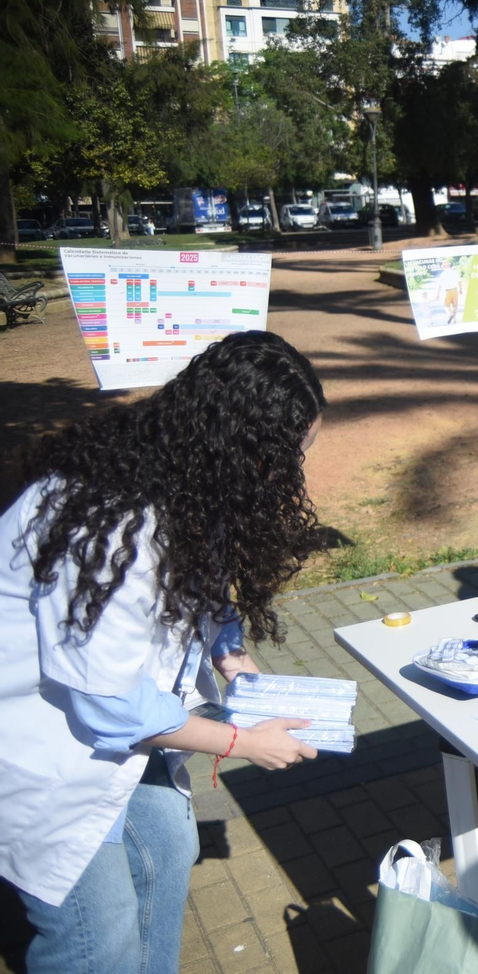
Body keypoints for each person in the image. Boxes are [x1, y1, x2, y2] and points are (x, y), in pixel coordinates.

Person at [0, 331, 329, 974]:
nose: (294, 473)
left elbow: (202, 584)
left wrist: (235, 662)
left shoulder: (184, 478)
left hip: (113, 734)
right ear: (237, 445)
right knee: (99, 934)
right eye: (287, 455)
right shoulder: (107, 521)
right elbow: (108, 704)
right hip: (42, 751)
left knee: (168, 846)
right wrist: (242, 742)